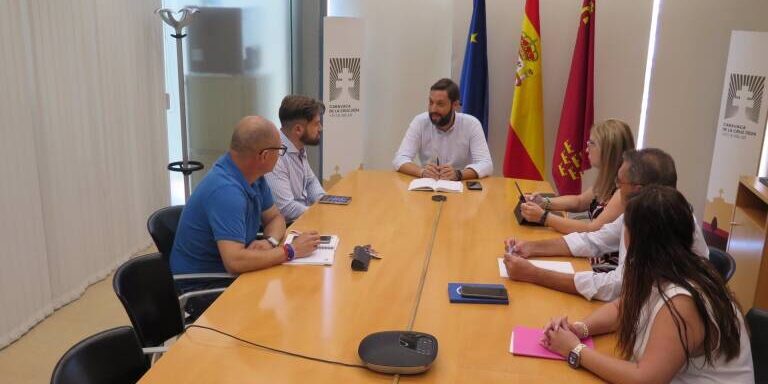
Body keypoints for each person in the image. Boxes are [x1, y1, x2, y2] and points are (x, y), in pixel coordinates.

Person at [539, 186, 754, 383]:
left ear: (638, 238)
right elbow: (622, 308)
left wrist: (574, 350)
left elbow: (645, 379)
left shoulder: (682, 300)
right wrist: (580, 329)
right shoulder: (673, 268)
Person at [503, 148, 709, 301]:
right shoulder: (644, 211)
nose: (616, 187)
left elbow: (616, 286)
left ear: (638, 189)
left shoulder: (665, 226)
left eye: (620, 182)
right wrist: (530, 248)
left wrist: (534, 274)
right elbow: (594, 240)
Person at [170, 116, 321, 318]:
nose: (280, 156)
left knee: (294, 296)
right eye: (280, 151)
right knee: (290, 307)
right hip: (204, 287)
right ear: (265, 155)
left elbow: (275, 218)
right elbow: (235, 261)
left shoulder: (251, 176)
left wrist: (270, 242)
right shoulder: (226, 191)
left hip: (229, 272)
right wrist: (291, 251)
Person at [520, 119, 634, 234]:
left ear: (608, 151)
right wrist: (543, 202)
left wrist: (544, 217)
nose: (586, 149)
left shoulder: (622, 192)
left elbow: (592, 229)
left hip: (599, 251)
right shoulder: (608, 179)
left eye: (592, 144)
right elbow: (579, 201)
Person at [392, 78, 493, 181]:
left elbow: (486, 164)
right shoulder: (420, 122)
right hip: (428, 186)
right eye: (431, 102)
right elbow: (399, 159)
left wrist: (458, 174)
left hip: (462, 186)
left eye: (440, 104)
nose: (433, 109)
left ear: (455, 105)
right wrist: (422, 172)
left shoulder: (471, 124)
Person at [264, 95, 326, 223]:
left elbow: (310, 181)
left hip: (304, 217)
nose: (320, 128)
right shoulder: (275, 155)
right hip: (288, 226)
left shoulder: (298, 146)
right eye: (316, 124)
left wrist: (324, 202)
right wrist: (319, 213)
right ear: (298, 129)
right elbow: (286, 209)